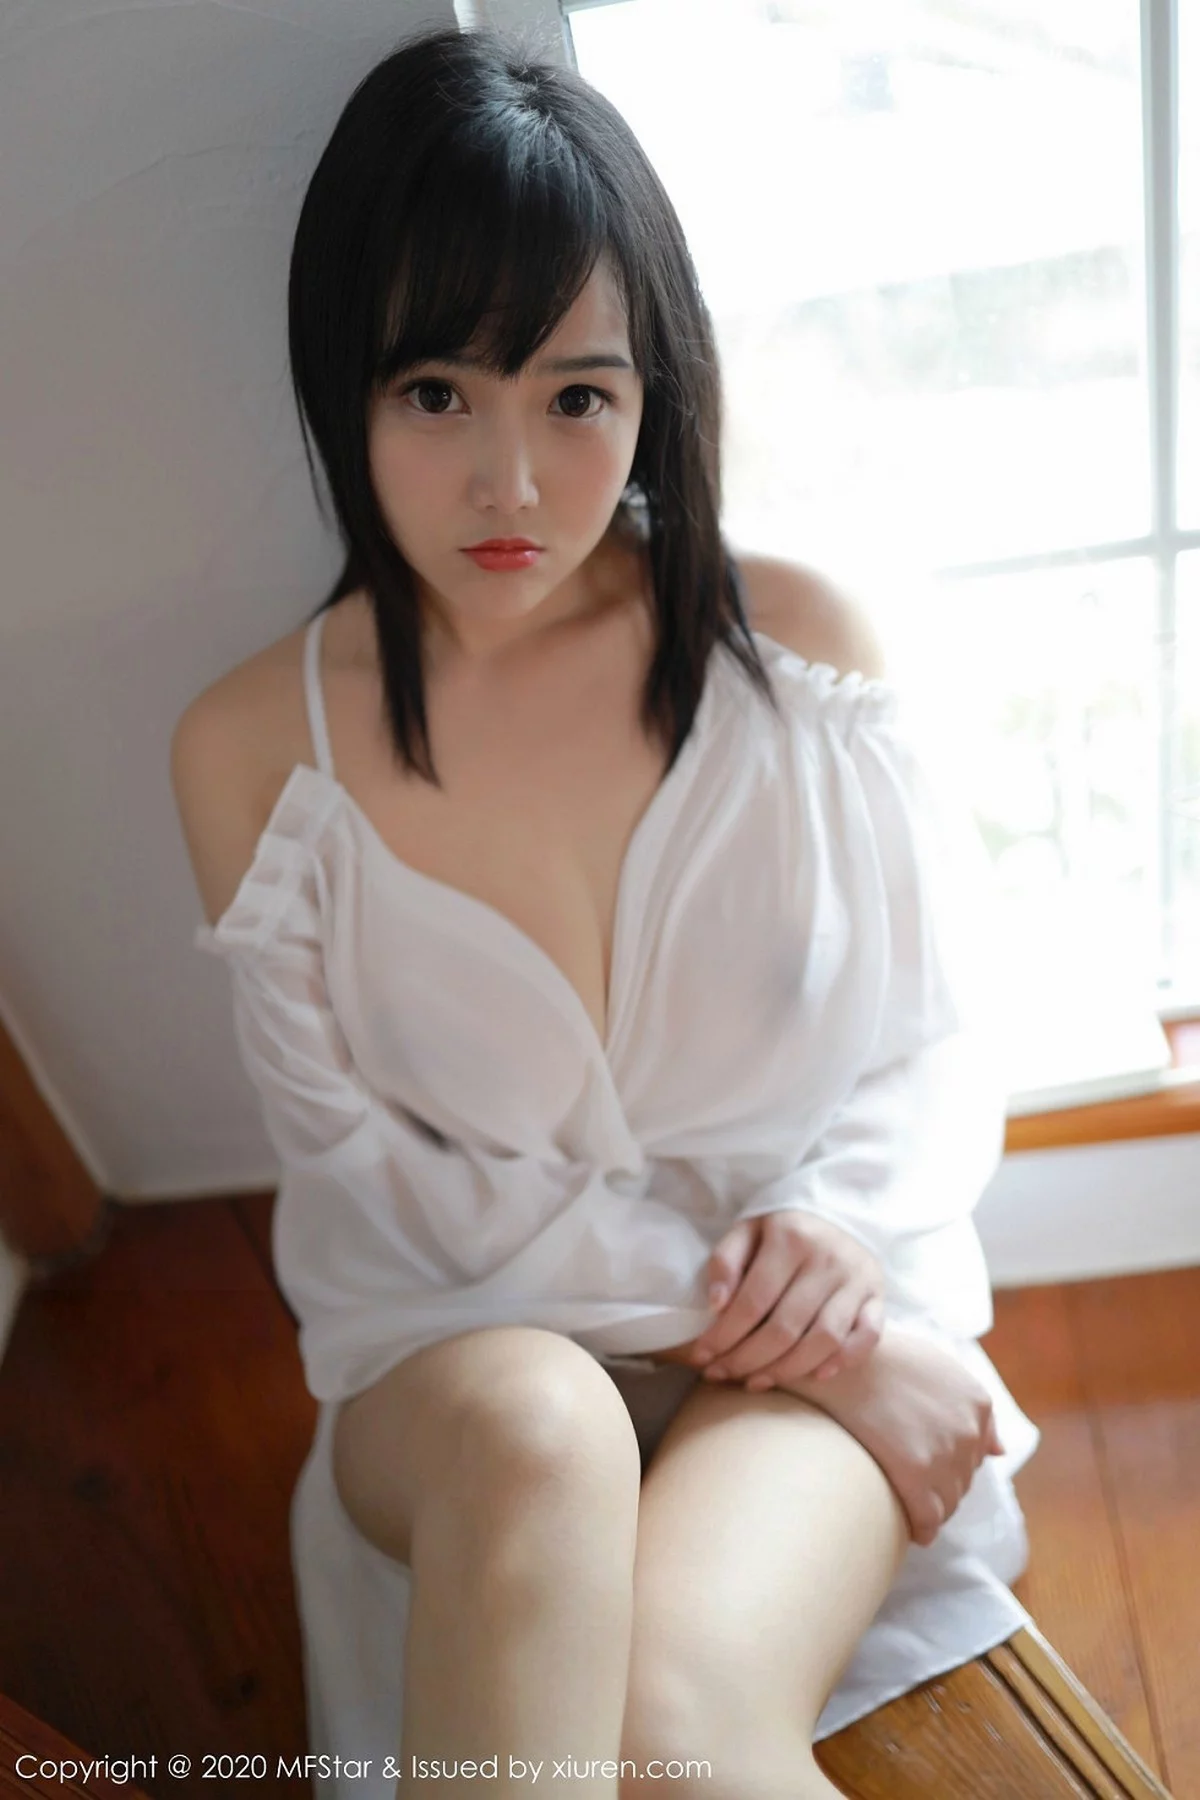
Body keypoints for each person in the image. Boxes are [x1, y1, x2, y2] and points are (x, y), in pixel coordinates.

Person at [171, 23, 1041, 1800]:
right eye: (438, 395)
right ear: (345, 387)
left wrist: (839, 1257)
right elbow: (377, 1191)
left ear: (656, 390)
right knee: (542, 1428)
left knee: (670, 1741)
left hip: (808, 1337)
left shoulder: (797, 655)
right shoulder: (258, 752)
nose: (511, 485)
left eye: (575, 397)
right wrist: (832, 1349)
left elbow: (934, 1034)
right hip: (471, 1358)